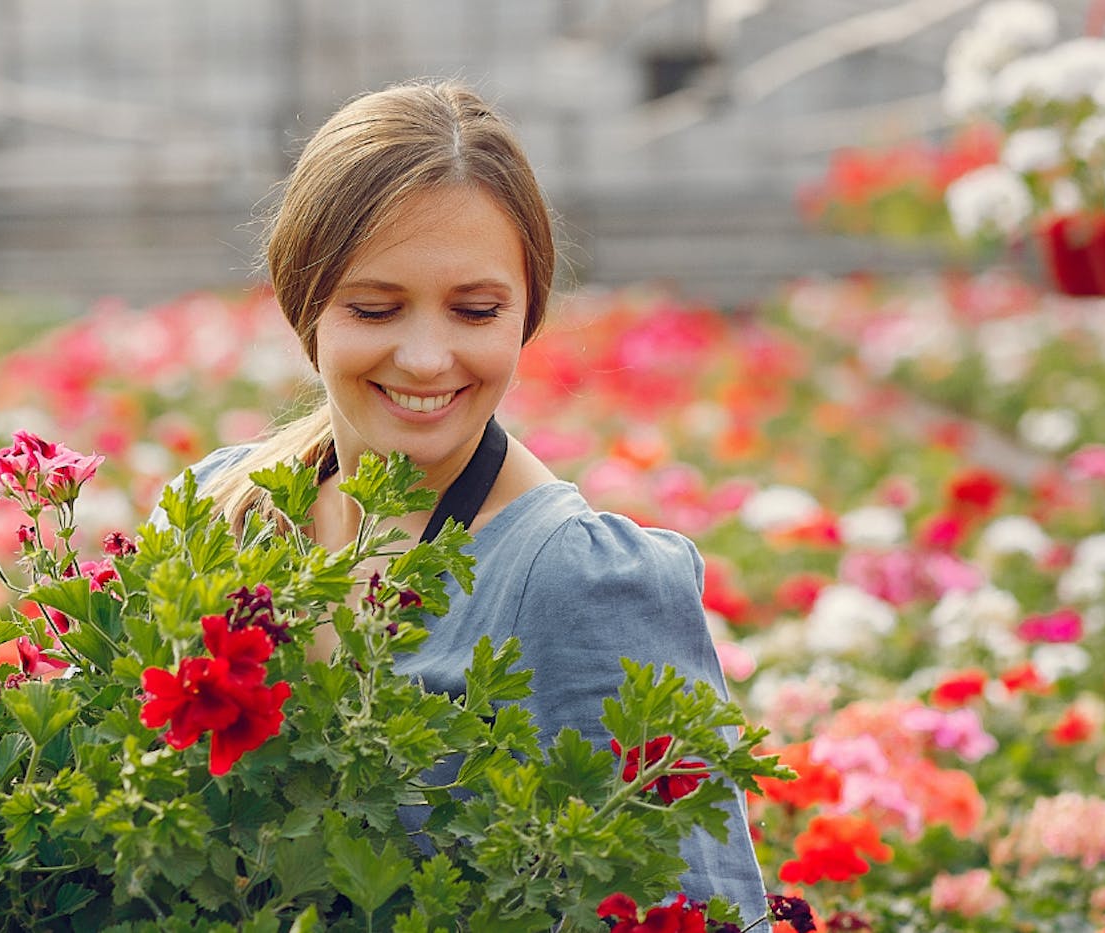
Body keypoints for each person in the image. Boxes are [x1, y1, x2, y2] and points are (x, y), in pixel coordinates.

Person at [162, 81, 767, 912]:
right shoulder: (219, 513)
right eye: (374, 308)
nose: (423, 357)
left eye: (475, 310)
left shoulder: (580, 582)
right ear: (304, 306)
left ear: (526, 314)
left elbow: (696, 913)